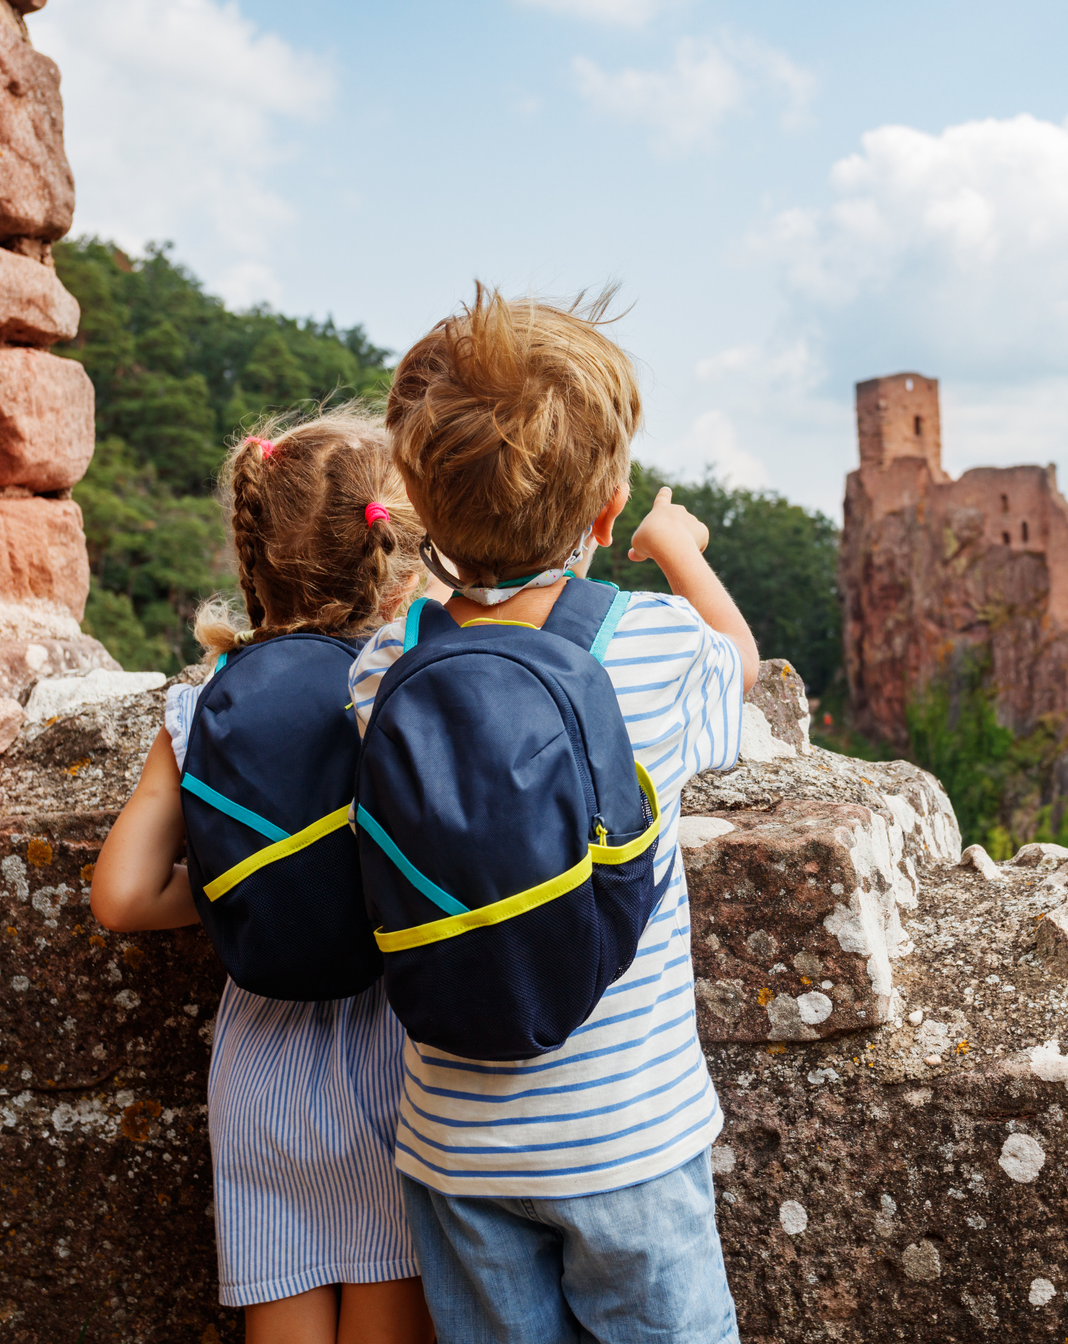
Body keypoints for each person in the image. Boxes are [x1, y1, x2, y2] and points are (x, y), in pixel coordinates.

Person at [352, 285, 758, 1344]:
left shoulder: (383, 671)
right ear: (606, 511)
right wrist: (682, 552)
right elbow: (743, 670)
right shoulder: (658, 650)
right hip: (630, 1136)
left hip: (452, 1145)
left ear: (424, 512)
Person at [92, 409, 437, 1344]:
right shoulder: (401, 686)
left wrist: (241, 894)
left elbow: (121, 897)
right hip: (395, 1064)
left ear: (252, 555)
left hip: (258, 1074)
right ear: (399, 559)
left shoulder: (201, 702)